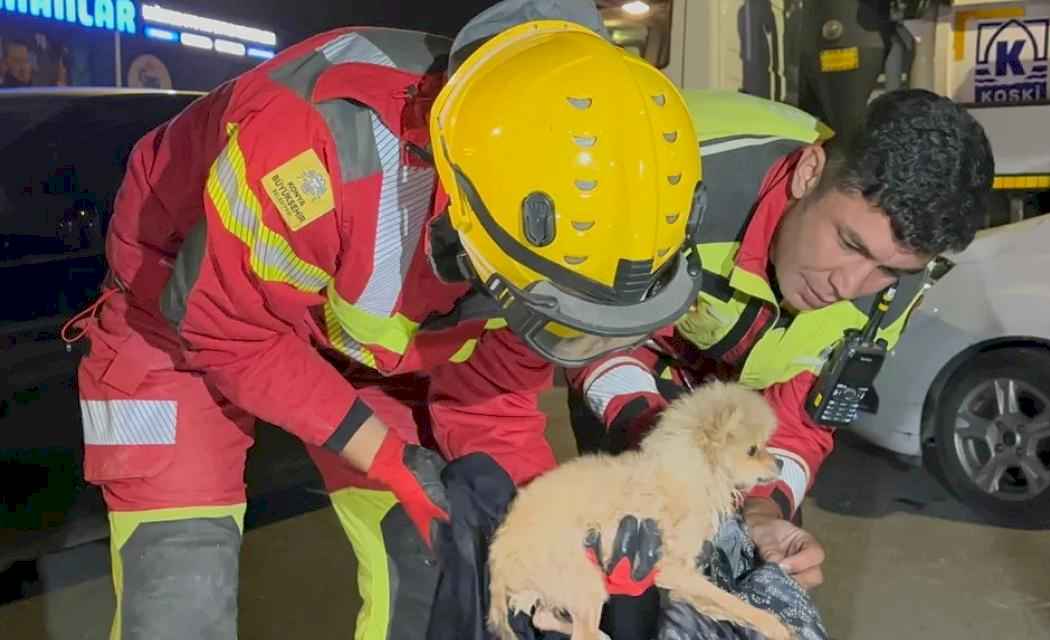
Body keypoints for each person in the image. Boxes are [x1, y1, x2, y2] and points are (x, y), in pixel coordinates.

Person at [66, 7, 706, 639]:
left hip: (357, 335)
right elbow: (225, 329)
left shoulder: (552, 244)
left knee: (426, 564)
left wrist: (560, 524)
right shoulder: (314, 147)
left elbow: (489, 410)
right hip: (185, 307)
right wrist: (384, 454)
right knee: (181, 589)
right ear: (466, 220)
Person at [564, 86, 995, 623]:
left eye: (889, 269)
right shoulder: (669, 177)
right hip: (637, 348)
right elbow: (591, 337)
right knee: (625, 574)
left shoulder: (893, 288)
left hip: (742, 402)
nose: (850, 285)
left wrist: (764, 509)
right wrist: (650, 436)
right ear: (810, 171)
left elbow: (804, 419)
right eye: (851, 244)